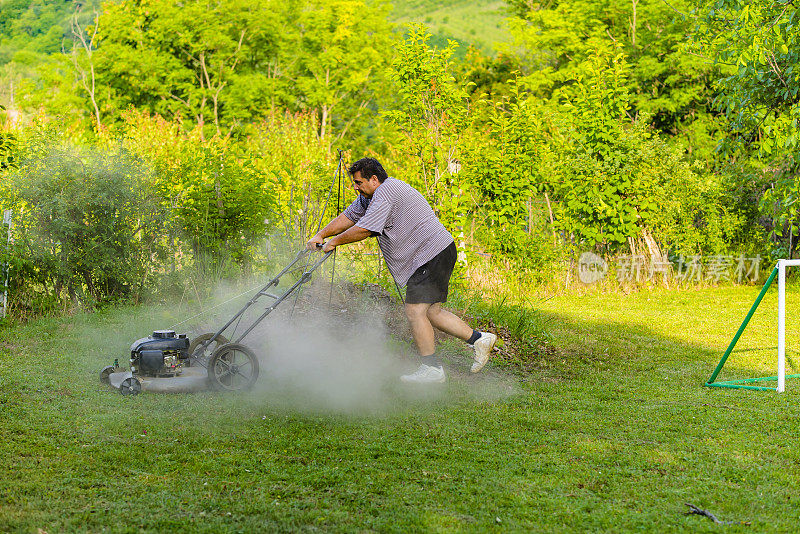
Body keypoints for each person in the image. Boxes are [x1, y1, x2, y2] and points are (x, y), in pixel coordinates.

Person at [307, 157, 497, 384]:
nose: (355, 187)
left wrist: (334, 242)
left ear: (374, 179)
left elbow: (365, 229)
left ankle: (432, 370)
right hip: (436, 252)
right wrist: (321, 235)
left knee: (415, 312)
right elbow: (349, 217)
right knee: (431, 313)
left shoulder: (387, 192)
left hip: (431, 254)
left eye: (358, 182)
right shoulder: (368, 197)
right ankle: (479, 339)